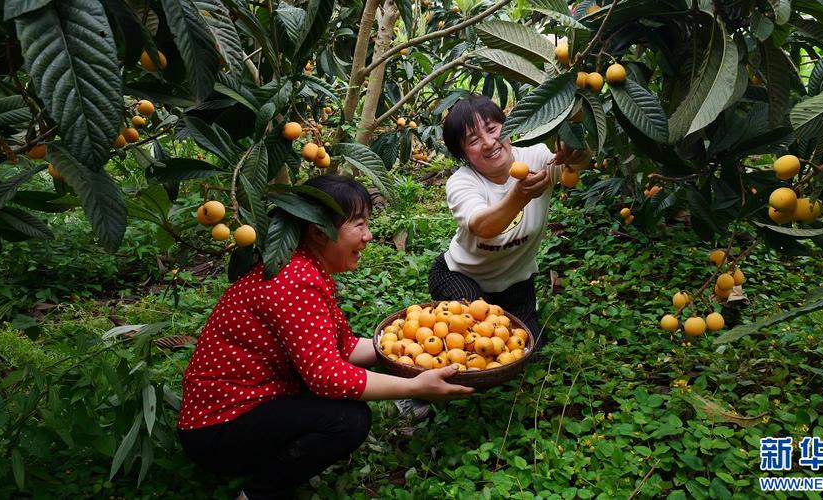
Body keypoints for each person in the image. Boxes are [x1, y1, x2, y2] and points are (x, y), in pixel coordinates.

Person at [177, 174, 473, 500]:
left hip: (254, 406)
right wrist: (414, 386)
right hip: (218, 427)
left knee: (344, 409)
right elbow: (327, 377)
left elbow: (340, 347)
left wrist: (405, 344)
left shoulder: (306, 269)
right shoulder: (295, 280)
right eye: (358, 225)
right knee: (348, 420)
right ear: (319, 232)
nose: (369, 235)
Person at [429, 94, 588, 346]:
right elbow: (483, 226)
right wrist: (519, 195)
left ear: (509, 127)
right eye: (473, 140)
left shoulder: (537, 157)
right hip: (461, 276)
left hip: (516, 284)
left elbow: (575, 167)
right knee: (475, 341)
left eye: (493, 129)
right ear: (463, 154)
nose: (489, 142)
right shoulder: (461, 182)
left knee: (524, 347)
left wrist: (577, 151)